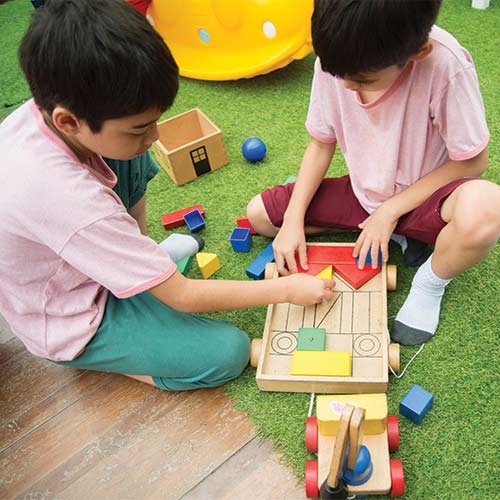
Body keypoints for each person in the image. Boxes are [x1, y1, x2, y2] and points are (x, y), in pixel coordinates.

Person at [0, 0, 334, 391]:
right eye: (139, 127)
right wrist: (287, 289)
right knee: (228, 351)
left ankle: (138, 260)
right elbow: (184, 295)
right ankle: (118, 325)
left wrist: (140, 253)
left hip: (83, 250)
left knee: (128, 156)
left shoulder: (58, 112)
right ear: (68, 120)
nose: (156, 137)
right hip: (74, 315)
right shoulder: (67, 199)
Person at [247, 0, 500, 346]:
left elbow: (472, 161)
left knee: (488, 208)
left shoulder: (446, 66)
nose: (348, 87)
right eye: (339, 76)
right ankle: (397, 235)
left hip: (426, 202)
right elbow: (321, 144)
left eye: (364, 79)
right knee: (260, 216)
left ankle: (429, 280)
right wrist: (292, 221)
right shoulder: (340, 54)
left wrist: (391, 211)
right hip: (364, 195)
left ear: (418, 52)